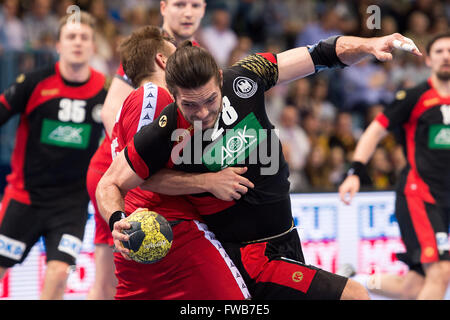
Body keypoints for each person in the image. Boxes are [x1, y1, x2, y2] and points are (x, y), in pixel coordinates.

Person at [97, 32, 421, 299]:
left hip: (285, 235)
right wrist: (117, 218)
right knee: (354, 295)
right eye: (189, 105)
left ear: (220, 78)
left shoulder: (245, 80)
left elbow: (319, 54)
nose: (202, 114)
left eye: (209, 100)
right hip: (252, 257)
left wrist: (367, 45)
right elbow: (112, 182)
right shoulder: (165, 127)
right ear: (174, 94)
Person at [86, 0, 207, 299]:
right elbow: (109, 111)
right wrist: (132, 160)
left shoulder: (195, 51)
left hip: (135, 174)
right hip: (118, 172)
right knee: (113, 278)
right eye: (180, 4)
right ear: (164, 7)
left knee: (119, 280)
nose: (189, 12)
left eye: (197, 4)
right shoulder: (148, 48)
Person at [0, 11, 106, 299]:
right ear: (58, 45)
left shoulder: (105, 92)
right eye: (71, 37)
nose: (78, 42)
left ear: (94, 46)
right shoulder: (33, 82)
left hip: (70, 205)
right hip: (25, 198)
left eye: (84, 37)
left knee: (60, 273)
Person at [339, 33, 450, 300]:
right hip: (419, 195)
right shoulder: (414, 97)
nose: (446, 56)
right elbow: (374, 131)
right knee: (441, 272)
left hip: (444, 201)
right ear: (428, 60)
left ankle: (352, 281)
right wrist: (355, 171)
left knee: (413, 287)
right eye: (439, 51)